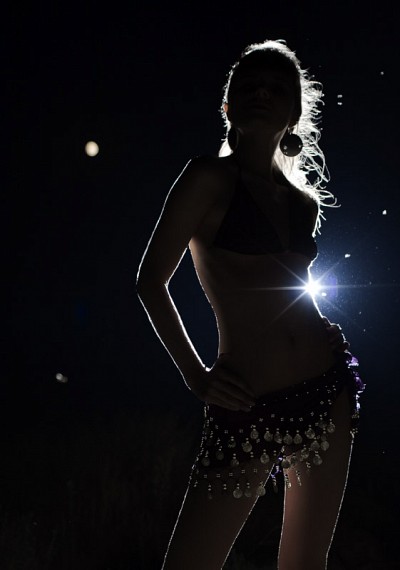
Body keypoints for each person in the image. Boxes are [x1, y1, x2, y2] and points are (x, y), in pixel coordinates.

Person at [136, 39, 365, 570]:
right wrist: (196, 376)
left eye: (277, 87)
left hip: (327, 392)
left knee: (305, 563)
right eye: (249, 84)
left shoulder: (302, 202)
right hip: (246, 404)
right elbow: (150, 282)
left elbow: (287, 288)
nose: (262, 92)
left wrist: (323, 332)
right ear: (227, 104)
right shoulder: (207, 179)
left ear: (295, 114)